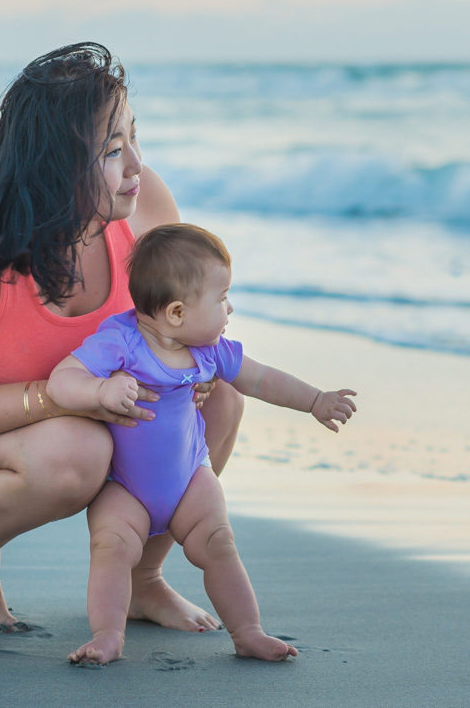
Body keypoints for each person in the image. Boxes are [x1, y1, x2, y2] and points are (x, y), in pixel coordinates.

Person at [0, 42, 242, 633]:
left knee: (220, 398)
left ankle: (142, 579)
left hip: (90, 411)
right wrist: (59, 396)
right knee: (75, 449)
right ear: (53, 164)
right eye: (113, 150)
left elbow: (188, 325)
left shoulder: (142, 205)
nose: (138, 166)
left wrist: (191, 371)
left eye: (136, 139)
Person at [47, 223, 357, 665]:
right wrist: (99, 392)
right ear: (176, 313)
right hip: (123, 488)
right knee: (111, 550)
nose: (230, 308)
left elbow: (262, 378)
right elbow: (63, 379)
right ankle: (108, 635)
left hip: (190, 476)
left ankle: (248, 631)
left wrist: (315, 400)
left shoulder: (211, 350)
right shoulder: (122, 340)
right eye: (222, 297)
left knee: (219, 545)